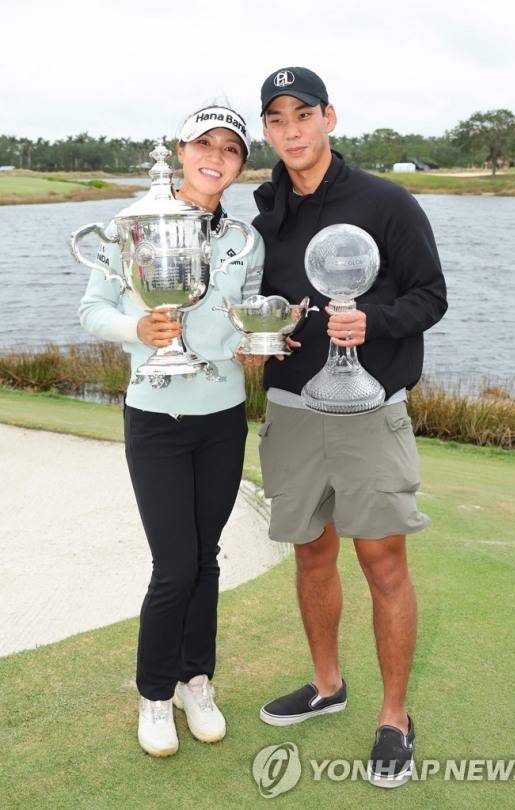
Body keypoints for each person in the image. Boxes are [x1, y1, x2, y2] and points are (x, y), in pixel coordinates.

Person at [252, 67, 448, 788]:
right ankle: (327, 684)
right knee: (310, 556)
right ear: (266, 130)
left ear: (329, 118)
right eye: (276, 120)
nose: (292, 131)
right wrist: (267, 334)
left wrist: (375, 321)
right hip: (294, 414)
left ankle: (394, 718)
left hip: (370, 414)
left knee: (383, 562)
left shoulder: (386, 201)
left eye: (303, 115)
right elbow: (273, 301)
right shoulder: (266, 206)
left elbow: (432, 295)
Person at [78, 105, 264, 757]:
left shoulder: (244, 238)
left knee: (206, 560)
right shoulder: (130, 224)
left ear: (241, 166)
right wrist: (138, 328)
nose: (215, 156)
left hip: (221, 418)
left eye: (231, 149)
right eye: (203, 143)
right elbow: (93, 309)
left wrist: (258, 342)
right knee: (174, 563)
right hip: (155, 417)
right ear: (182, 151)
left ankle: (195, 680)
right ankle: (155, 695)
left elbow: (244, 319)